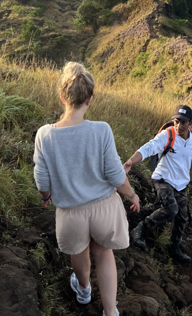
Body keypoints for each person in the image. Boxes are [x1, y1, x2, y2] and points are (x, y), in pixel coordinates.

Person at [34, 62, 140, 315]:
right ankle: (110, 312)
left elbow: (41, 178)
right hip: (104, 206)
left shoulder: (45, 135)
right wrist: (132, 194)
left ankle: (83, 290)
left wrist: (46, 197)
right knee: (103, 254)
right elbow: (115, 175)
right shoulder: (101, 130)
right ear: (90, 99)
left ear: (62, 96)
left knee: (79, 255)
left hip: (71, 212)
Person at [124, 105, 192, 264]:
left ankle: (175, 245)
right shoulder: (168, 135)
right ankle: (141, 229)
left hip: (181, 183)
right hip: (162, 179)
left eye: (184, 122)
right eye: (176, 121)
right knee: (171, 209)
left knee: (182, 217)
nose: (179, 126)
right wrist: (131, 161)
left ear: (191, 122)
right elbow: (148, 148)